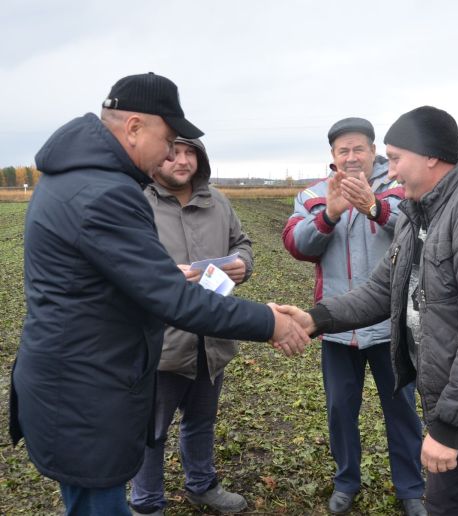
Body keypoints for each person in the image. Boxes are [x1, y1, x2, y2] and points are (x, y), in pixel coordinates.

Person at [9, 72, 308, 516]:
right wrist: (271, 321)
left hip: (73, 386)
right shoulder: (105, 193)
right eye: (168, 140)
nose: (172, 153)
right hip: (85, 398)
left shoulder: (76, 177)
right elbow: (174, 299)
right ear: (133, 127)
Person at [280, 106, 458, 515]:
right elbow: (381, 289)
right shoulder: (416, 213)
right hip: (447, 403)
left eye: (396, 158)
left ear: (431, 156)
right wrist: (316, 318)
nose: (392, 170)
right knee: (442, 506)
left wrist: (449, 428)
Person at [282, 118, 426, 515]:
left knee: (402, 410)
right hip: (337, 327)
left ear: (373, 150)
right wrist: (329, 214)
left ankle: (411, 489)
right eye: (343, 150)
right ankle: (346, 481)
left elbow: (416, 231)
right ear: (332, 156)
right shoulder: (313, 194)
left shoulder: (399, 189)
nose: (351, 157)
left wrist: (373, 207)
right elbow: (296, 244)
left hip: (390, 325)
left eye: (358, 149)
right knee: (340, 410)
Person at [129, 136, 254, 515]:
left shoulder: (217, 201)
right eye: (174, 153)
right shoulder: (136, 203)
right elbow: (123, 266)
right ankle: (147, 503)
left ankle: (201, 484)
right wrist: (164, 277)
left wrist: (242, 264)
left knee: (202, 421)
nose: (182, 161)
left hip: (212, 337)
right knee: (152, 431)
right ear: (157, 158)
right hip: (160, 342)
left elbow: (242, 242)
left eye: (190, 154)